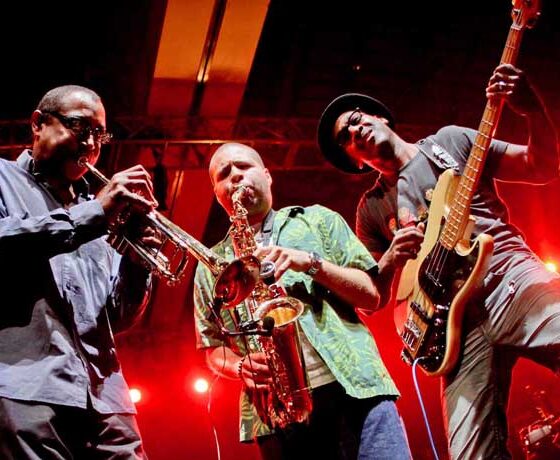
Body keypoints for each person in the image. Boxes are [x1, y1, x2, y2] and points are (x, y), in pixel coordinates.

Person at [317, 63, 560, 459]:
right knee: (468, 453)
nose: (355, 131)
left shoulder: (448, 141)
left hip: (508, 278)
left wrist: (532, 110)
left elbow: (541, 167)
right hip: (456, 330)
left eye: (357, 119)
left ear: (380, 118)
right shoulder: (372, 209)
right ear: (355, 161)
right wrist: (390, 258)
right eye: (345, 137)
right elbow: (372, 297)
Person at [193, 142, 412, 460]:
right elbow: (211, 347)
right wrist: (238, 365)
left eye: (244, 166)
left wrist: (311, 263)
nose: (236, 176)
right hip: (277, 413)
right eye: (224, 174)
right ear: (217, 194)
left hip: (358, 389)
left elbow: (372, 296)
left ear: (267, 175)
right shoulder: (211, 266)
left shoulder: (319, 220)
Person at [0, 84, 160, 459]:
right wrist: (94, 215)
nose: (90, 143)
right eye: (79, 127)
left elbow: (117, 317)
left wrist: (137, 264)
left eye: (99, 134)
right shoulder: (2, 178)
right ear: (38, 123)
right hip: (28, 388)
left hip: (107, 398)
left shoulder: (99, 213)